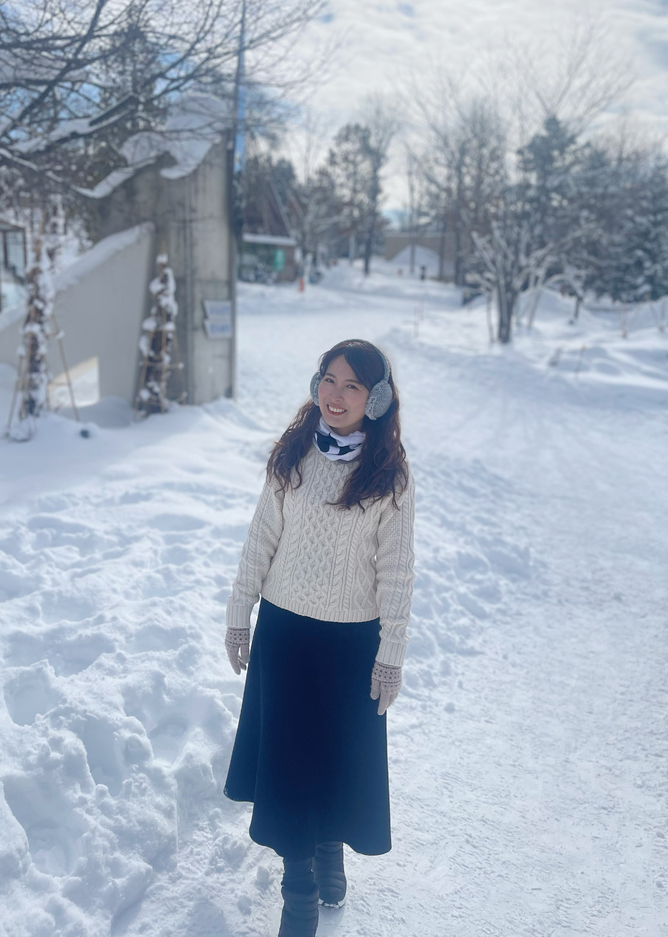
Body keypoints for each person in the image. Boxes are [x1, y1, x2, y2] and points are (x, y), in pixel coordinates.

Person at [224, 338, 415, 937]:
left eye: (352, 386)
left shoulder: (389, 476)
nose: (335, 395)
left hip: (350, 645)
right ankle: (299, 887)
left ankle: (330, 854)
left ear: (375, 399)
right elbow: (261, 540)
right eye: (328, 380)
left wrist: (391, 656)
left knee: (334, 761)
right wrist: (239, 612)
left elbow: (397, 571)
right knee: (287, 765)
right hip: (285, 636)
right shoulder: (293, 456)